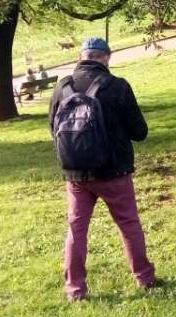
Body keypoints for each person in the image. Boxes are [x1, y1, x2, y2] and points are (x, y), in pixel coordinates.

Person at [49, 37, 157, 302]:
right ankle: (144, 278)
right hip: (113, 170)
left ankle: (75, 289)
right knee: (128, 223)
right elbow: (139, 132)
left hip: (75, 172)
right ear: (106, 58)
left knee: (76, 229)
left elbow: (53, 126)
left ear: (80, 56)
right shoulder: (116, 86)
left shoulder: (62, 87)